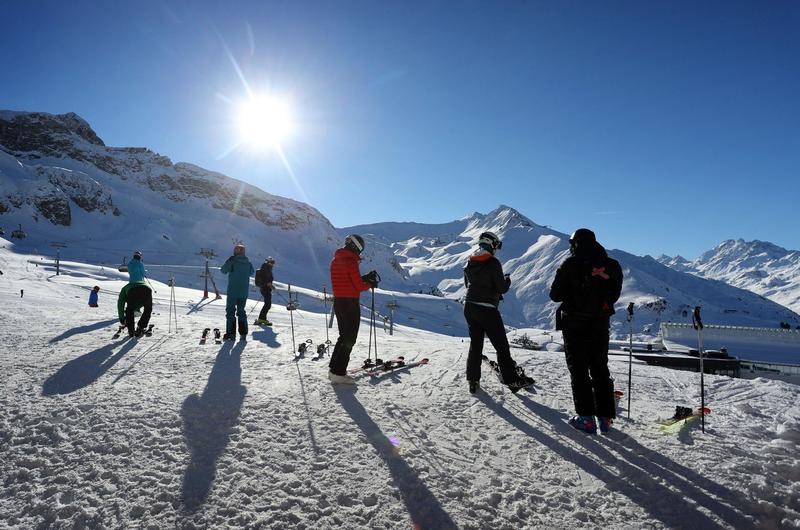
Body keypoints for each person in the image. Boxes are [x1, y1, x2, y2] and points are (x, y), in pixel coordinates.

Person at [549, 228, 623, 434]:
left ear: (575, 244)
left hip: (574, 323)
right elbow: (614, 296)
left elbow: (555, 295)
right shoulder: (612, 265)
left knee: (579, 369)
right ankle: (605, 418)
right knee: (600, 367)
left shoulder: (570, 264)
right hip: (600, 323)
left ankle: (586, 418)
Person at [463, 231, 530, 394]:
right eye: (496, 246)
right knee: (501, 346)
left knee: (476, 344)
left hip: (470, 306)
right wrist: (507, 280)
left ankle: (473, 380)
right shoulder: (493, 262)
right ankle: (512, 381)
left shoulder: (470, 261)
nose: (496, 249)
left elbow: (468, 284)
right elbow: (502, 288)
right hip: (487, 309)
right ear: (492, 244)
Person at [328, 234, 378, 384]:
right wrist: (370, 283)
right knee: (350, 338)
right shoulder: (351, 262)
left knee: (343, 336)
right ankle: (338, 373)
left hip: (339, 302)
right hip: (350, 304)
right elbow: (358, 286)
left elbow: (347, 280)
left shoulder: (336, 260)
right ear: (356, 246)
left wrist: (364, 278)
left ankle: (333, 369)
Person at [221, 243, 254, 340]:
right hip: (243, 292)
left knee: (230, 311)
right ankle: (243, 333)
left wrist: (229, 262)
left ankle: (231, 334)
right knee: (241, 311)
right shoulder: (248, 262)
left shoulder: (232, 261)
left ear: (235, 252)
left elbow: (223, 270)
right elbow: (251, 272)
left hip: (233, 291)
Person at [254, 257, 275, 326]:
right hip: (264, 288)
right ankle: (261, 319)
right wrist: (267, 284)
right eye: (271, 262)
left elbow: (268, 280)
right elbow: (263, 280)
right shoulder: (265, 269)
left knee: (267, 304)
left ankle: (262, 319)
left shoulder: (268, 270)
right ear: (268, 262)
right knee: (267, 304)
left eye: (273, 263)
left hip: (266, 289)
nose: (272, 264)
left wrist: (270, 285)